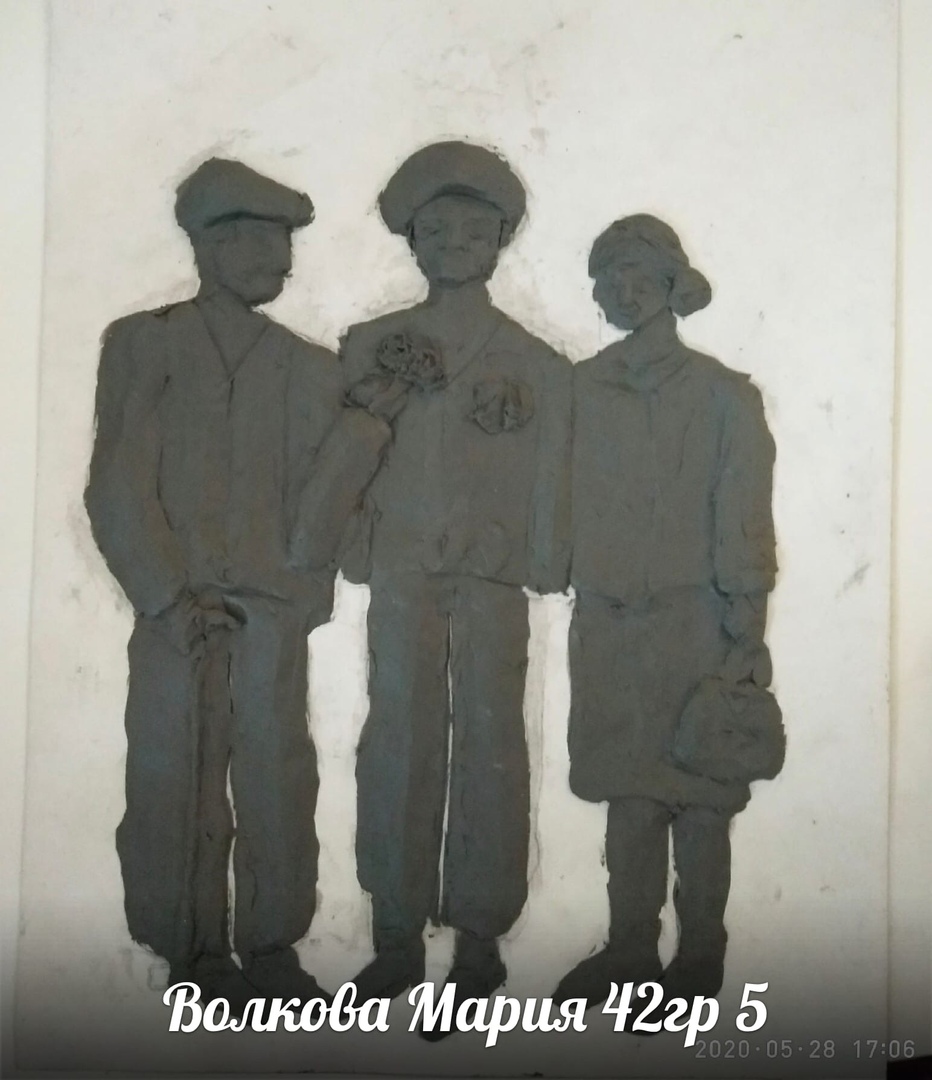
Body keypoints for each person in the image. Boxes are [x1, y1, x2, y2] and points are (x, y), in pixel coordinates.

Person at [85, 157, 402, 1011]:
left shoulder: (310, 368)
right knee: (174, 771)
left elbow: (325, 505)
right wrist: (164, 594)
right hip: (174, 608)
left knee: (277, 772)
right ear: (207, 245)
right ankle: (190, 947)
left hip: (270, 609)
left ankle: (271, 947)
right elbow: (117, 481)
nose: (276, 259)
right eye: (255, 240)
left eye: (283, 243)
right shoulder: (145, 343)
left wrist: (365, 433)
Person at [340, 141, 573, 1013]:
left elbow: (553, 476)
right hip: (402, 572)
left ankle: (480, 943)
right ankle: (396, 935)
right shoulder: (369, 346)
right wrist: (357, 549)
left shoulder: (538, 362)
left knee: (491, 742)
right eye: (435, 231)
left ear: (501, 242)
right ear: (412, 242)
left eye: (474, 232)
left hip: (491, 579)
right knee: (397, 739)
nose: (454, 245)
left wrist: (537, 557)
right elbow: (345, 462)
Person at [556, 214, 778, 1006]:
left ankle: (701, 958)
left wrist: (746, 618)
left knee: (702, 792)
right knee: (630, 791)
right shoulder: (579, 388)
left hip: (699, 618)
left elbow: (745, 511)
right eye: (609, 275)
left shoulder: (725, 395)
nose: (625, 289)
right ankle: (629, 953)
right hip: (609, 620)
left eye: (640, 273)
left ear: (673, 284)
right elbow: (555, 495)